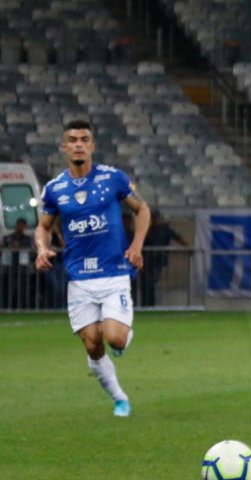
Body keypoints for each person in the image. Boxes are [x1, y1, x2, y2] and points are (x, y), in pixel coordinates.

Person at [34, 119, 151, 417]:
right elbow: (43, 227)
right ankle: (120, 399)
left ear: (92, 146)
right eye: (72, 140)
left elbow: (142, 209)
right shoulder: (54, 189)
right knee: (92, 345)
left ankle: (122, 334)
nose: (78, 145)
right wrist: (42, 248)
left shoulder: (113, 179)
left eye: (84, 139)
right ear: (64, 147)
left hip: (114, 273)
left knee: (115, 339)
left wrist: (136, 246)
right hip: (79, 279)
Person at [141, 208, 188, 306]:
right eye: (152, 218)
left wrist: (188, 248)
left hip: (158, 260)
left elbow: (178, 237)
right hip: (147, 260)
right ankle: (145, 305)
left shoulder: (166, 229)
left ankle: (150, 305)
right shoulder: (147, 230)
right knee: (144, 284)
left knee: (150, 283)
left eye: (155, 217)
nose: (154, 220)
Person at [1, 217, 35, 309]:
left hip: (23, 269)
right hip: (9, 268)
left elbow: (32, 252)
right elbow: (3, 248)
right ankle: (6, 307)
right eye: (19, 225)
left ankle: (22, 307)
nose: (20, 227)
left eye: (22, 225)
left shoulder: (28, 239)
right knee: (8, 289)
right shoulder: (8, 238)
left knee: (22, 290)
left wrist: (20, 247)